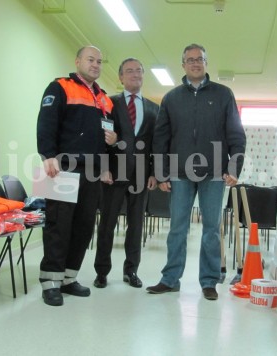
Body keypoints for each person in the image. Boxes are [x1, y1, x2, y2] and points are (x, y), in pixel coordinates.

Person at [147, 43, 246, 301]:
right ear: (183, 65)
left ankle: (209, 281)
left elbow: (236, 134)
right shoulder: (171, 98)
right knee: (177, 227)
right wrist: (161, 173)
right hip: (179, 173)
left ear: (206, 62)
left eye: (199, 59)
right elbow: (161, 139)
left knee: (211, 228)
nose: (195, 63)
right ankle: (170, 279)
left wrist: (233, 167)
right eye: (190, 60)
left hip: (214, 173)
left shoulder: (224, 94)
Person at [36, 46, 117, 306]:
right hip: (63, 168)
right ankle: (51, 281)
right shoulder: (60, 87)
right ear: (78, 61)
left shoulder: (104, 98)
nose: (95, 64)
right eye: (90, 59)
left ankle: (69, 278)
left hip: (93, 172)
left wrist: (112, 146)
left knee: (83, 227)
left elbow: (107, 137)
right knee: (59, 225)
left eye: (99, 61)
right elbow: (46, 122)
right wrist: (47, 154)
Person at [93, 58, 159, 289]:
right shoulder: (109, 103)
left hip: (142, 175)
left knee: (136, 224)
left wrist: (155, 173)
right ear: (121, 77)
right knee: (107, 224)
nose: (135, 74)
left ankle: (131, 270)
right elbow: (100, 139)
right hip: (113, 173)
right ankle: (102, 271)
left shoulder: (153, 108)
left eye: (139, 71)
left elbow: (156, 144)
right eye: (129, 71)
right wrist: (103, 168)